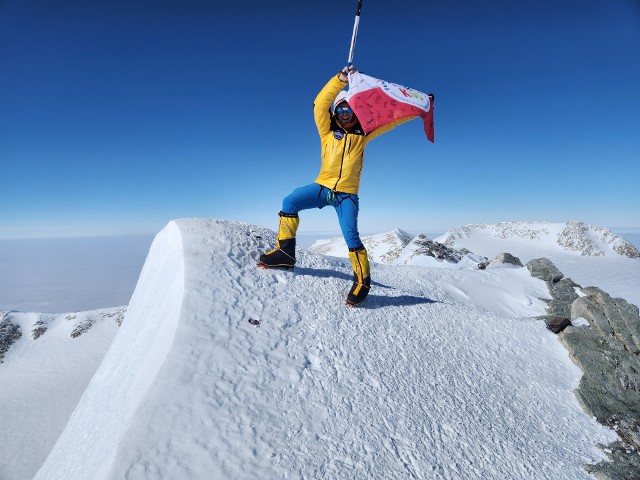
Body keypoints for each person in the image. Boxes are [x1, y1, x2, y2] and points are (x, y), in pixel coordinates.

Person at [258, 65, 413, 306]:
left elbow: (391, 120)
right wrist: (339, 80)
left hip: (346, 196)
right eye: (340, 108)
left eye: (348, 108)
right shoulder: (327, 132)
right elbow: (320, 104)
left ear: (354, 111)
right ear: (336, 111)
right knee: (290, 201)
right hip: (322, 188)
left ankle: (362, 282)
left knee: (351, 235)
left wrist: (417, 109)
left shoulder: (362, 135)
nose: (344, 112)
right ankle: (286, 254)